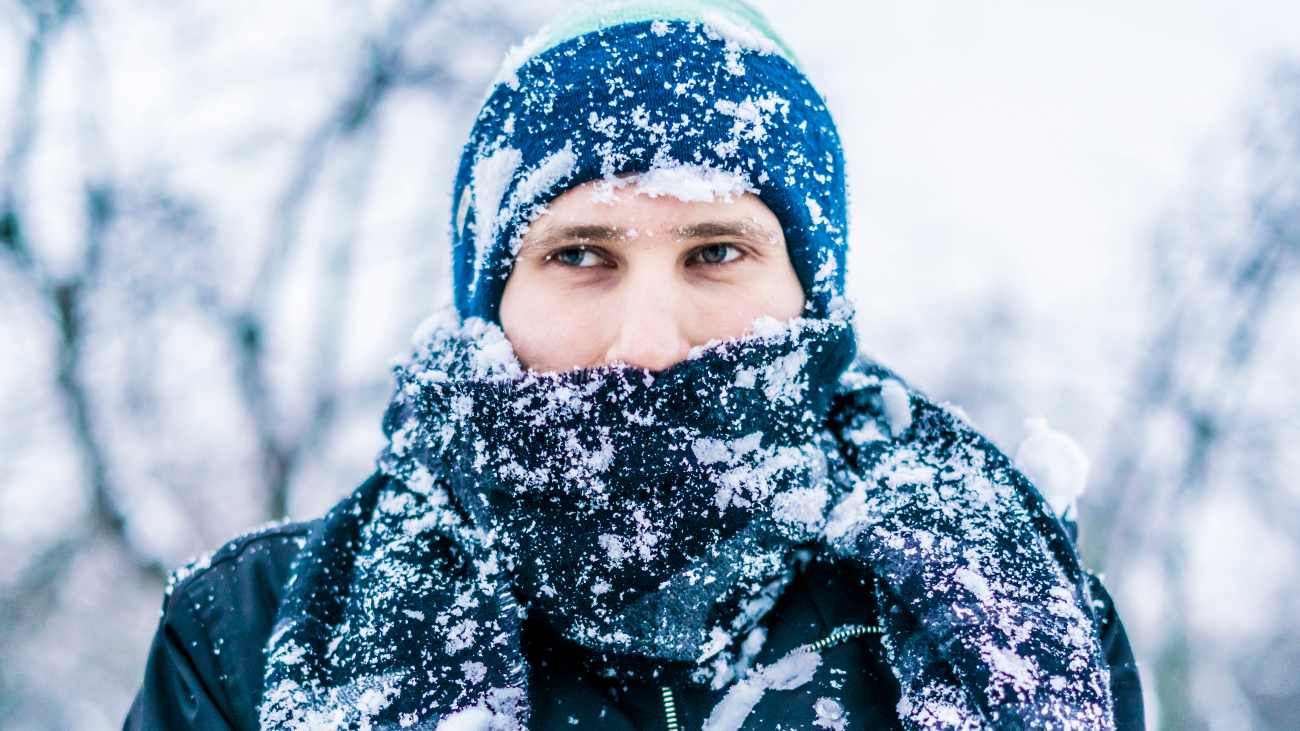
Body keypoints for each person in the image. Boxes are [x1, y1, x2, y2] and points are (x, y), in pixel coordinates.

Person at [124, 2, 1143, 729]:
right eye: (579, 255)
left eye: (717, 252)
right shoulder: (249, 632)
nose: (648, 342)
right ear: (491, 299)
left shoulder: (1004, 612)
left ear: (810, 293)